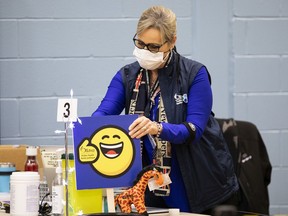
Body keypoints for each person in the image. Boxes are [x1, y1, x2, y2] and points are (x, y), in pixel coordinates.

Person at [92, 5, 239, 213]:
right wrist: (88, 130)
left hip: (191, 180)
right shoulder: (127, 75)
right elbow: (102, 115)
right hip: (146, 179)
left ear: (171, 42)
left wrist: (157, 128)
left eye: (153, 47)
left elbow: (193, 130)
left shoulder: (195, 74)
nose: (145, 51)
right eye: (140, 44)